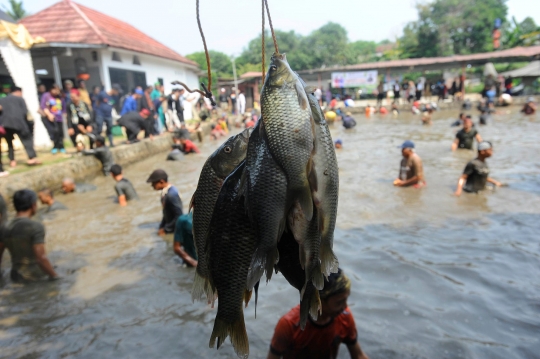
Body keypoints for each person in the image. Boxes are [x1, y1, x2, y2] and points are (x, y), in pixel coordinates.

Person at [267, 269, 370, 359]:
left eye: (345, 300)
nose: (344, 307)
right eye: (339, 302)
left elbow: (358, 355)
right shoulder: (289, 324)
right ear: (318, 301)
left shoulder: (344, 317)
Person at [0, 189, 59, 282]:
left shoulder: (4, 227)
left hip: (15, 276)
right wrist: (55, 276)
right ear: (33, 205)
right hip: (35, 276)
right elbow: (41, 258)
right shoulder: (35, 227)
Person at [0, 86, 41, 167]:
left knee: (9, 143)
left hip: (6, 124)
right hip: (19, 123)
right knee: (27, 140)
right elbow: (24, 112)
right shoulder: (20, 99)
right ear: (19, 92)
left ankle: (12, 160)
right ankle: (31, 158)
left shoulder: (2, 100)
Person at [146, 169, 183, 235]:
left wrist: (166, 229)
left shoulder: (171, 195)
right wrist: (162, 226)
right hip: (170, 226)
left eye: (153, 183)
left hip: (175, 230)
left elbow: (179, 215)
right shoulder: (165, 192)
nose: (152, 185)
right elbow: (166, 211)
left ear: (161, 182)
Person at [40, 83, 65, 154]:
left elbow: (63, 108)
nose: (56, 91)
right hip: (50, 118)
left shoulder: (60, 97)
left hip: (59, 117)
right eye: (55, 90)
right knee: (54, 132)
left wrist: (65, 118)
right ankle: (55, 146)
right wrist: (49, 115)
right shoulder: (46, 95)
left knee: (60, 133)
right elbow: (43, 106)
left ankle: (61, 146)